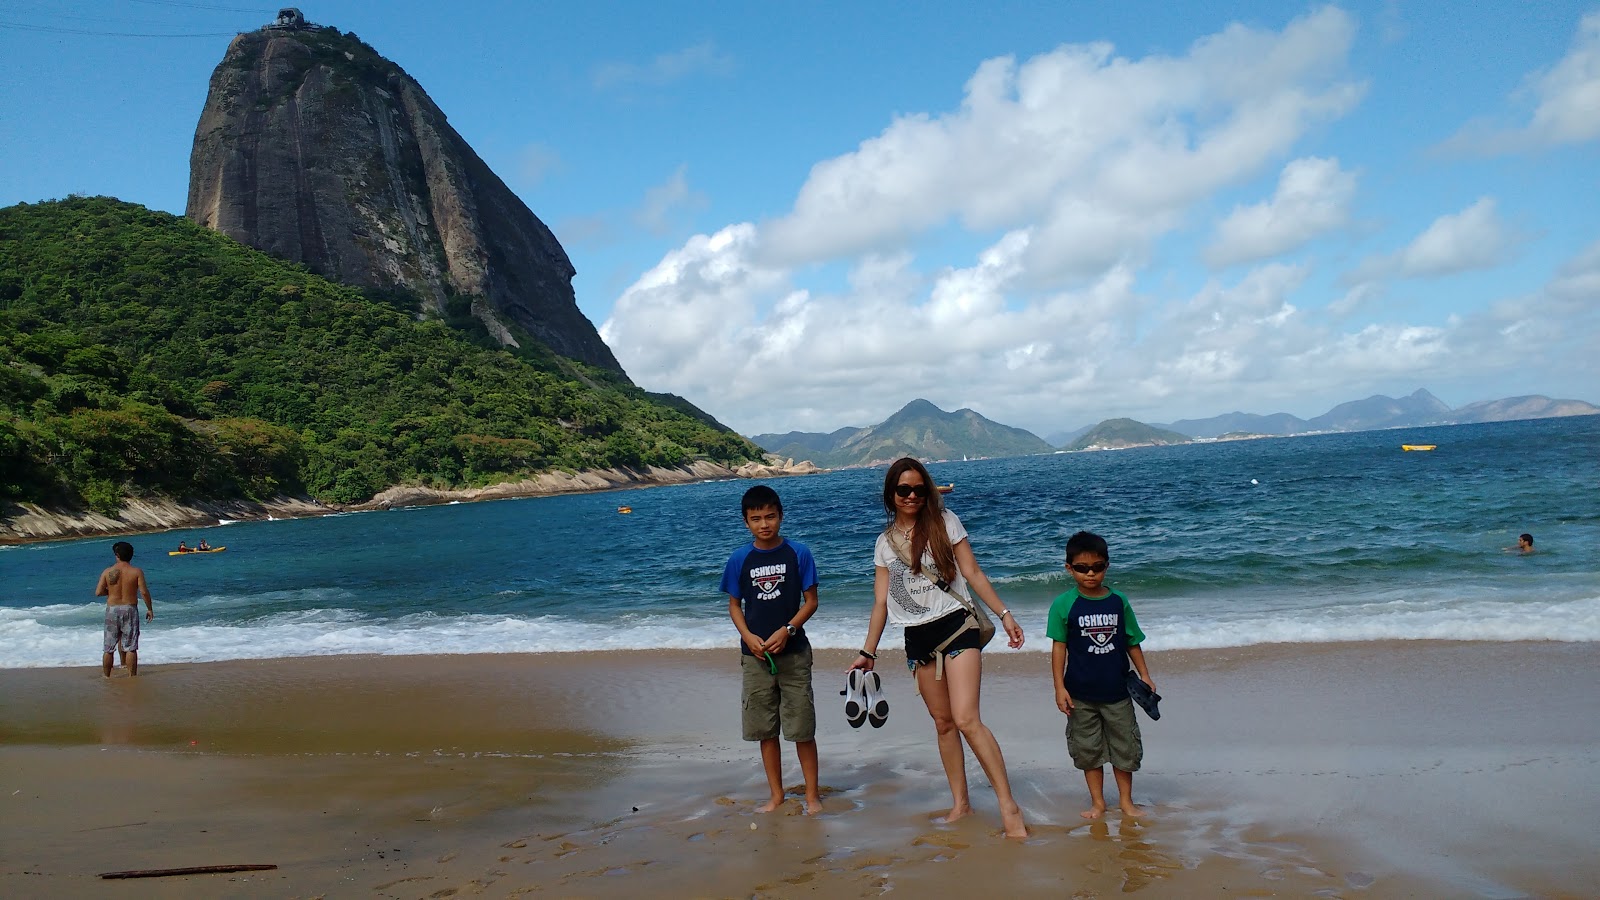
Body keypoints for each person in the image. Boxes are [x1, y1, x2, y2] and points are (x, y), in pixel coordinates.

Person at [848, 457, 1028, 838]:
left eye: (918, 489)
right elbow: (881, 602)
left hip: (957, 626)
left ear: (927, 490)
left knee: (966, 719)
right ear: (891, 495)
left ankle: (1008, 807)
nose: (911, 496)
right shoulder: (884, 544)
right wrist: (868, 651)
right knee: (944, 724)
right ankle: (960, 803)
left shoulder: (945, 523)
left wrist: (1005, 613)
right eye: (903, 490)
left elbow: (973, 573)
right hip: (917, 638)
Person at [721, 484, 822, 815]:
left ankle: (811, 797)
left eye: (770, 517)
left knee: (802, 729)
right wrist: (748, 636)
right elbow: (735, 605)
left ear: (781, 516)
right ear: (745, 522)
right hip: (756, 658)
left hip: (794, 655)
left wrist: (788, 629)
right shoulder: (740, 559)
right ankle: (776, 795)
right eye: (756, 519)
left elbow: (811, 602)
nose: (764, 524)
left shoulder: (798, 553)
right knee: (766, 730)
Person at [1046, 530, 1154, 820]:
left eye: (1098, 567)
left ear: (1107, 565)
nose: (1090, 574)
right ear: (1069, 568)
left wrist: (1144, 674)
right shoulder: (1063, 605)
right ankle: (1097, 803)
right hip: (1079, 695)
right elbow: (1059, 649)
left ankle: (1126, 802)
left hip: (1118, 693)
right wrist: (1059, 687)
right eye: (1082, 568)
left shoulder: (1119, 601)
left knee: (1125, 749)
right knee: (1088, 751)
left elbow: (1132, 640)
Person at [96, 541, 154, 677]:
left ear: (117, 555)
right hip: (129, 608)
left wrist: (111, 592)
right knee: (131, 647)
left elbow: (98, 592)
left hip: (112, 609)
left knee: (108, 648)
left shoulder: (107, 571)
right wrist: (150, 608)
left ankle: (106, 676)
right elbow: (144, 592)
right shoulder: (136, 572)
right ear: (131, 555)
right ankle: (131, 676)